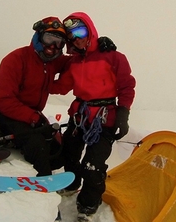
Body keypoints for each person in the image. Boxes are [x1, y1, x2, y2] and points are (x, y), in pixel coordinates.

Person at [0, 16, 117, 177]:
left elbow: (78, 60)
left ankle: (31, 159)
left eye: (59, 43)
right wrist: (33, 117)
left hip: (33, 116)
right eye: (49, 39)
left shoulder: (52, 61)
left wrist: (97, 47)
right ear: (38, 36)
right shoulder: (15, 60)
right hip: (8, 114)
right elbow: (4, 100)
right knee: (38, 145)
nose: (52, 46)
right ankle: (43, 179)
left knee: (59, 152)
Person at [50, 12, 136, 222]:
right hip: (80, 116)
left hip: (104, 119)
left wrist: (123, 113)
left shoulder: (114, 57)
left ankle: (88, 206)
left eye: (80, 31)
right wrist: (40, 83)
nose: (77, 39)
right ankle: (71, 185)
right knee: (70, 153)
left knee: (93, 164)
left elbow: (126, 86)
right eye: (72, 36)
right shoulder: (74, 62)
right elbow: (62, 86)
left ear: (90, 30)